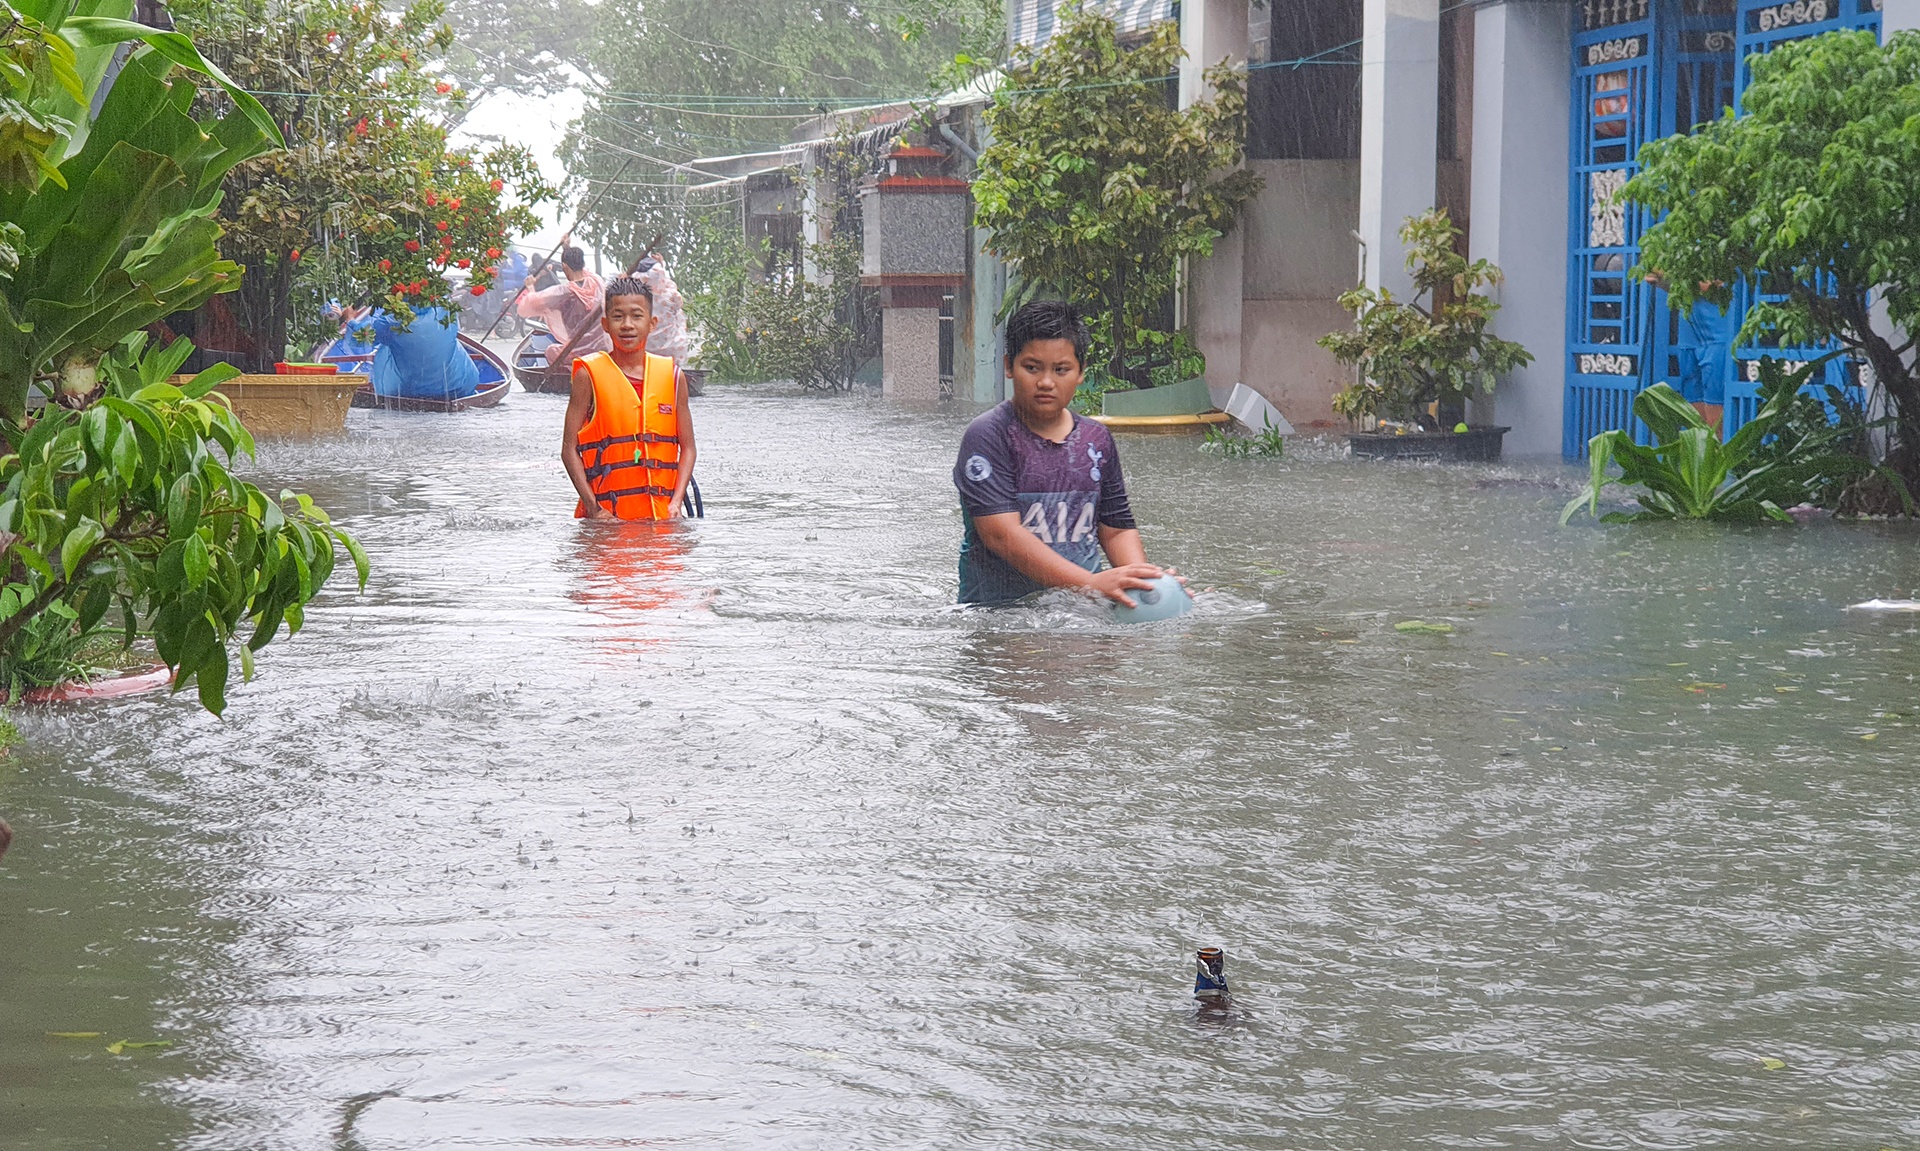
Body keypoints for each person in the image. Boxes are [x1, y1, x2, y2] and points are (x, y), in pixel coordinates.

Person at [952, 301, 1171, 607]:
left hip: (1083, 612)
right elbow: (1001, 535)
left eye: (1061, 369)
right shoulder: (989, 436)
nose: (1045, 382)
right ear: (1008, 366)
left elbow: (1116, 530)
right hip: (1001, 617)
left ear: (1081, 372)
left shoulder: (1097, 440)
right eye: (1032, 367)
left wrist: (1143, 583)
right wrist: (1091, 583)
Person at [561, 276, 697, 521]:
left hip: (663, 518)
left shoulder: (674, 378)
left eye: (636, 316)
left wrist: (676, 502)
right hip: (607, 521)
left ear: (652, 323)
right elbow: (569, 449)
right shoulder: (587, 376)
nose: (627, 325)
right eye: (617, 316)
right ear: (605, 323)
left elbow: (688, 448)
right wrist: (595, 510)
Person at [340, 302, 479, 400]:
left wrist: (350, 319)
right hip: (458, 386)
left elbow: (360, 337)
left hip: (407, 391)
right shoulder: (445, 309)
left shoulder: (392, 321)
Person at [518, 243, 610, 364]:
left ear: (564, 266)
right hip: (604, 348)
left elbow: (530, 304)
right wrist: (567, 248)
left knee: (550, 351)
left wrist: (530, 287)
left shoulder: (562, 293)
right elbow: (585, 271)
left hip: (578, 352)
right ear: (583, 264)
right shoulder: (597, 281)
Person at [632, 256, 690, 365]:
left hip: (645, 349)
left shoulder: (634, 298)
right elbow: (678, 303)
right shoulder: (670, 295)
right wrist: (661, 265)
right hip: (672, 350)